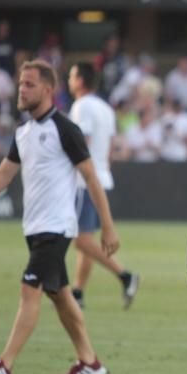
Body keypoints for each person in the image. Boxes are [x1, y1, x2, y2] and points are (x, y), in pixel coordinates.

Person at [0, 59, 119, 374]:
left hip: (57, 227)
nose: (21, 90)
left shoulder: (66, 129)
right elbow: (3, 175)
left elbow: (91, 177)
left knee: (30, 289)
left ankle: (4, 365)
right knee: (61, 296)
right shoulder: (23, 133)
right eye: (21, 83)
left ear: (48, 90)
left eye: (29, 84)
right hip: (35, 228)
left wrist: (107, 225)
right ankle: (89, 360)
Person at [68, 62, 140, 310]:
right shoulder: (106, 108)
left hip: (85, 180)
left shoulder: (81, 106)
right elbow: (110, 147)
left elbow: (81, 142)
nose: (69, 79)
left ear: (80, 80)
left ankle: (125, 275)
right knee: (86, 238)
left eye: (71, 75)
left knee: (80, 240)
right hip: (103, 178)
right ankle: (77, 291)